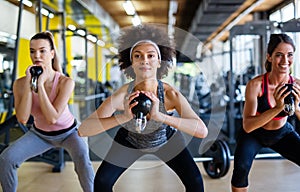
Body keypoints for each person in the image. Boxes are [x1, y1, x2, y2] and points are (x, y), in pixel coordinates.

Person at [78, 24, 208, 192]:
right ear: (132, 62)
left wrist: (162, 117)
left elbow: (202, 131)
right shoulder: (123, 94)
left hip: (166, 140)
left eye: (150, 55)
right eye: (138, 56)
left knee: (196, 182)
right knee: (102, 182)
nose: (144, 60)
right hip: (130, 140)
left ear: (159, 61)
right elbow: (84, 130)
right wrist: (122, 117)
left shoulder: (170, 94)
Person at [0, 31, 94, 192]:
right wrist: (31, 84)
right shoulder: (20, 84)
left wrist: (41, 86)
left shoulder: (65, 82)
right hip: (40, 135)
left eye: (42, 50)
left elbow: (52, 118)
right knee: (6, 159)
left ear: (51, 53)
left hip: (70, 133)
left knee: (83, 161)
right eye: (32, 51)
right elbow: (22, 118)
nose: (36, 55)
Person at [231, 33, 300, 192]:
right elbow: (248, 126)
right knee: (241, 169)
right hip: (254, 134)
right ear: (269, 57)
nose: (284, 61)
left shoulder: (296, 85)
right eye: (279, 55)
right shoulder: (255, 85)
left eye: (289, 55)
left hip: (282, 133)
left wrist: (295, 107)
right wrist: (276, 108)